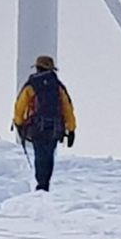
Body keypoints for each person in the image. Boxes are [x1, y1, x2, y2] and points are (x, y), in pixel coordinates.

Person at [13, 55, 77, 191]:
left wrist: (19, 123)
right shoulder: (57, 85)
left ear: (36, 67)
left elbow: (20, 105)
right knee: (49, 154)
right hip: (55, 127)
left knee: (40, 154)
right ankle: (46, 181)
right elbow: (67, 107)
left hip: (37, 126)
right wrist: (71, 129)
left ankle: (41, 182)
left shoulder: (31, 85)